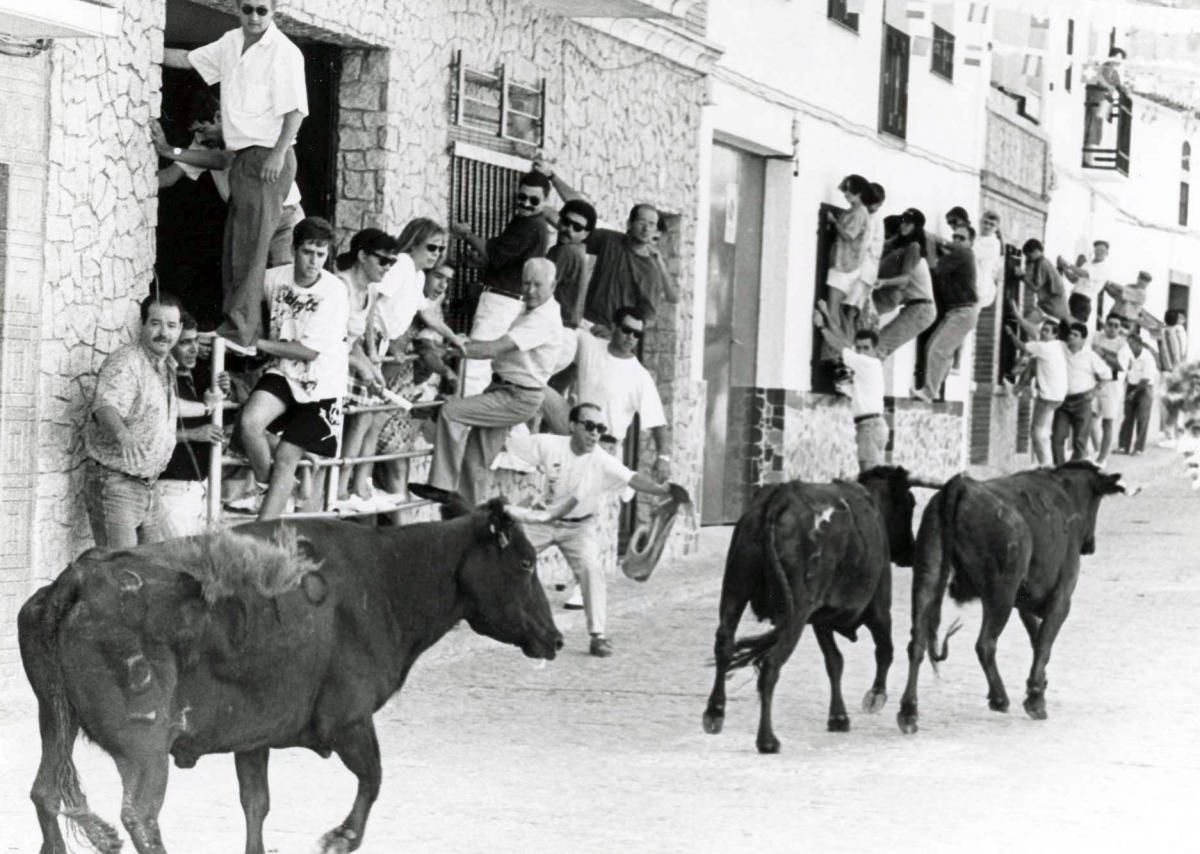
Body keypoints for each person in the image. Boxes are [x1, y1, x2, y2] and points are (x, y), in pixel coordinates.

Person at [162, 0, 308, 349]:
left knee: (252, 250)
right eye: (247, 9)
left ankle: (243, 331)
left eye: (262, 10)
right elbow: (187, 60)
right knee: (236, 250)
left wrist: (277, 154)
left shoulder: (285, 52)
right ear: (238, 10)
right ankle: (235, 325)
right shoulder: (229, 42)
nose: (254, 17)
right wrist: (140, 38)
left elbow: (296, 112)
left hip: (267, 156)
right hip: (243, 158)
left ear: (274, 12)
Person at [504, 402, 682, 657]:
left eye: (600, 428)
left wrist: (663, 490)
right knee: (507, 558)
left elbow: (631, 478)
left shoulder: (602, 460)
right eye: (589, 426)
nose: (595, 433)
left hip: (579, 527)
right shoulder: (548, 444)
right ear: (573, 426)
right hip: (545, 522)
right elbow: (510, 445)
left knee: (591, 570)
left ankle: (597, 635)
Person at [231, 217, 348, 520]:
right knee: (250, 422)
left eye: (321, 254)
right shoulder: (274, 277)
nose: (314, 261)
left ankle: (263, 528)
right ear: (294, 249)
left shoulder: (335, 291)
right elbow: (242, 298)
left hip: (321, 382)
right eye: (308, 252)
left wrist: (257, 343)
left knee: (285, 458)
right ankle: (266, 486)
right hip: (284, 371)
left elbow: (308, 352)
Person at [428, 258, 563, 506]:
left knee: (451, 412)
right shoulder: (531, 308)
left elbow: (498, 347)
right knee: (475, 458)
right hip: (504, 389)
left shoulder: (544, 318)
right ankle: (468, 516)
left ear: (552, 286)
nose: (530, 291)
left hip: (518, 396)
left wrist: (458, 349)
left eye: (537, 285)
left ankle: (441, 486)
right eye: (526, 283)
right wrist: (461, 345)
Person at [83, 292, 190, 546]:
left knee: (149, 572)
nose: (164, 332)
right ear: (142, 324)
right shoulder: (127, 362)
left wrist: (210, 404)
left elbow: (157, 411)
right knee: (121, 572)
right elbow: (104, 405)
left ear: (180, 329)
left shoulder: (166, 365)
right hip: (117, 484)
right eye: (155, 323)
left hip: (148, 487)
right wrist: (123, 435)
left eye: (171, 325)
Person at [452, 172, 553, 396]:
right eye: (522, 197)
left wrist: (467, 235)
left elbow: (494, 253)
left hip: (500, 301)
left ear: (545, 201)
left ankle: (461, 419)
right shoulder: (529, 223)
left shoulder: (530, 225)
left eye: (533, 200)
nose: (526, 203)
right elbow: (509, 262)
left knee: (475, 364)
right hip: (509, 299)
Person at [541, 165, 679, 329]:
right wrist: (540, 204)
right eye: (642, 222)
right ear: (629, 223)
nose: (646, 228)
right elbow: (578, 221)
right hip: (585, 322)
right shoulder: (609, 239)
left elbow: (648, 317)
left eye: (651, 224)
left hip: (613, 335)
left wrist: (618, 332)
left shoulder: (651, 269)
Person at [155, 312, 233, 538]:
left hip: (198, 486)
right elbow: (151, 431)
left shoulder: (197, 378)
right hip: (172, 487)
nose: (194, 349)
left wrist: (222, 392)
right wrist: (193, 434)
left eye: (196, 341)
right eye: (185, 343)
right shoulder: (161, 380)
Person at [814, 302, 888, 471]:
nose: (861, 352)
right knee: (872, 476)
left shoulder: (869, 363)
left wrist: (821, 327)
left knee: (869, 477)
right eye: (859, 348)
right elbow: (846, 344)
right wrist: (826, 313)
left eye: (866, 348)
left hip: (870, 426)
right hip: (870, 425)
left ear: (875, 349)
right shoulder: (863, 367)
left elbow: (841, 347)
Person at [913, 223, 978, 402]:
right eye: (954, 236)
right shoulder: (959, 253)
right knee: (933, 347)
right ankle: (935, 387)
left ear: (971, 242)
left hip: (963, 312)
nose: (956, 240)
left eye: (962, 238)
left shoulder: (964, 254)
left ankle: (929, 392)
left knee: (938, 350)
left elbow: (935, 267)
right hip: (957, 312)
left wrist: (931, 241)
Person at [1004, 313, 1068, 467]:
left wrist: (1010, 333)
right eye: (1042, 330)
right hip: (1059, 395)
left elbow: (1021, 346)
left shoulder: (1044, 347)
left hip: (1048, 396)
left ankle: (1045, 464)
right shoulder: (1058, 345)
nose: (1043, 333)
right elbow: (1033, 343)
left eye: (1046, 331)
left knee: (1036, 432)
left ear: (1055, 334)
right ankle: (1046, 461)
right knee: (1044, 431)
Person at [872, 208, 937, 359]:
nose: (904, 226)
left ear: (916, 227)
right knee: (879, 344)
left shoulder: (914, 247)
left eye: (909, 223)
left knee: (880, 345)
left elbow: (904, 280)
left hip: (921, 308)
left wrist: (883, 282)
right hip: (915, 307)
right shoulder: (903, 246)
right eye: (903, 222)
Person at [1051, 321, 1112, 465]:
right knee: (1057, 438)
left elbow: (1107, 375)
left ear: (1083, 339)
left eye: (1075, 335)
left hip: (1082, 401)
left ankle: (1075, 472)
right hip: (1063, 401)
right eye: (1070, 333)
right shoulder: (1060, 349)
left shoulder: (1090, 355)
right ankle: (1059, 470)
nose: (1071, 337)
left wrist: (1094, 392)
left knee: (1080, 441)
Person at [824, 175, 872, 335]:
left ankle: (834, 348)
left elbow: (849, 235)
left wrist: (833, 222)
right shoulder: (854, 210)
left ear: (859, 192)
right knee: (837, 309)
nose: (846, 194)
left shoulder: (859, 212)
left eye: (850, 191)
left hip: (844, 265)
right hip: (844, 264)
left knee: (833, 307)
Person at [1090, 314, 1132, 466]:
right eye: (1110, 324)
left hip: (1112, 386)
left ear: (1120, 328)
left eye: (1116, 325)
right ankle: (1097, 451)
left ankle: (1102, 458)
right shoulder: (1096, 337)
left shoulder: (1123, 345)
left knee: (1107, 422)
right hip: (1094, 383)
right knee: (1090, 419)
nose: (1113, 328)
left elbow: (1121, 366)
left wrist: (1103, 354)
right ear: (1105, 324)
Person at [549, 198, 598, 328]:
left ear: (585, 234)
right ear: (559, 221)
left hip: (558, 325)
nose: (569, 229)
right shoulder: (571, 250)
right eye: (566, 222)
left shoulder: (567, 251)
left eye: (577, 227)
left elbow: (544, 286)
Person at [1118, 332, 1159, 456]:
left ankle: (1139, 448)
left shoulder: (1147, 357)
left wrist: (1134, 393)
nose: (1130, 346)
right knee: (1128, 417)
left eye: (1132, 344)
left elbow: (1146, 379)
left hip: (1144, 388)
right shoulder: (1129, 355)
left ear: (1139, 344)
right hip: (1132, 385)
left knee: (1142, 418)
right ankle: (1123, 446)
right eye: (1129, 343)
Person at [1059, 239, 1115, 323]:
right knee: (1064, 326)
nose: (1099, 252)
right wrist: (1064, 268)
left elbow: (1084, 274)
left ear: (1107, 253)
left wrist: (1067, 264)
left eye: (1102, 250)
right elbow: (1073, 279)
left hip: (1083, 302)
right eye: (1097, 249)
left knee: (1074, 328)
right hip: (1073, 298)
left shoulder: (1104, 268)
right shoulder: (1087, 264)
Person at [1158, 308, 1189, 446]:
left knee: (1169, 405)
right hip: (1174, 371)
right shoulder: (1178, 331)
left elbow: (1176, 353)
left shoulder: (1167, 332)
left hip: (1169, 371)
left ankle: (1170, 435)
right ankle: (1174, 434)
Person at [1021, 239, 1071, 323]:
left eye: (1029, 255)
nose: (1028, 257)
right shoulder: (1044, 262)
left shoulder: (1042, 264)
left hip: (1053, 307)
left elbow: (1036, 287)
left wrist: (1022, 276)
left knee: (1028, 325)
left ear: (1036, 251)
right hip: (1055, 306)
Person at [973, 210, 1003, 311]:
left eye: (992, 224)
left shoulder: (993, 243)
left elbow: (971, 251)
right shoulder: (975, 238)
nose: (987, 226)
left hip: (980, 286)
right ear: (980, 222)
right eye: (985, 222)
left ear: (996, 228)